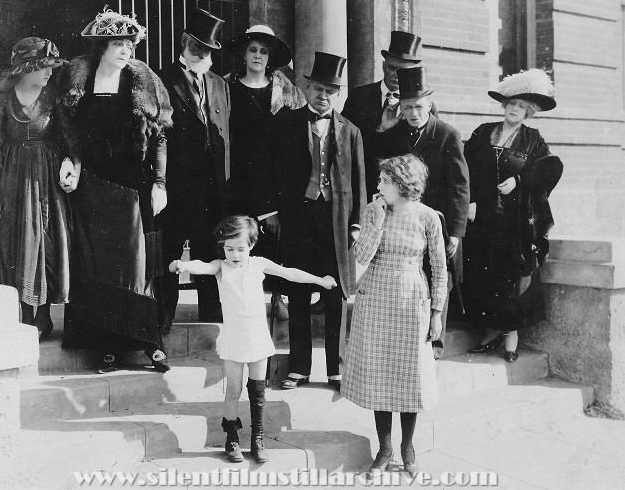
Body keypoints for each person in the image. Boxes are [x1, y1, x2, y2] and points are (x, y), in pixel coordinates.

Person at [168, 215, 336, 464]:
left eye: (240, 249)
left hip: (257, 338)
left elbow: (289, 273)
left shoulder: (258, 264)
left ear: (252, 246)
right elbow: (202, 266)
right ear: (222, 247)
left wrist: (319, 280)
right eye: (229, 249)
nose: (235, 255)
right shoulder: (220, 267)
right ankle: (232, 438)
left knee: (258, 391)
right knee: (233, 390)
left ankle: (257, 440)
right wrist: (183, 266)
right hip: (234, 340)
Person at [58, 9, 172, 373]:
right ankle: (105, 347)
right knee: (97, 264)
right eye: (117, 43)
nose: (125, 50)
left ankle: (146, 342)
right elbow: (69, 132)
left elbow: (159, 137)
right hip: (92, 185)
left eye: (128, 43)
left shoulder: (143, 80)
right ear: (101, 47)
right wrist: (71, 161)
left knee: (135, 265)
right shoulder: (79, 80)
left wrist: (159, 183)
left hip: (132, 186)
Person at [252, 51, 366, 392]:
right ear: (307, 88)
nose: (323, 96)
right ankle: (299, 367)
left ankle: (337, 370)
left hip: (336, 221)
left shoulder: (351, 131)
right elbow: (262, 169)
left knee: (335, 296)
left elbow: (360, 179)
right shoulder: (284, 122)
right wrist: (269, 212)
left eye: (330, 90)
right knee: (299, 293)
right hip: (298, 218)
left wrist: (357, 223)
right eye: (317, 88)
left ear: (338, 93)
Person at [341, 154, 447, 476]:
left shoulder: (428, 217)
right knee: (379, 373)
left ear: (402, 184)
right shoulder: (375, 211)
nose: (378, 186)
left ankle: (408, 447)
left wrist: (436, 312)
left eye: (384, 181)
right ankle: (384, 448)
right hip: (375, 296)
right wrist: (376, 221)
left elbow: (440, 268)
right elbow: (360, 256)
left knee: (409, 374)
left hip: (411, 297)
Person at [367, 65, 469, 359]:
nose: (413, 113)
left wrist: (457, 233)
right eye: (407, 107)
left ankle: (434, 346)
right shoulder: (394, 133)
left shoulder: (447, 134)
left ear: (429, 104)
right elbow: (373, 162)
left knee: (438, 274)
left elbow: (460, 186)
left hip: (437, 220)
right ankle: (406, 340)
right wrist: (382, 129)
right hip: (402, 220)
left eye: (419, 107)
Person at [0, 37, 75, 340]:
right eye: (44, 67)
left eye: (51, 67)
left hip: (46, 178)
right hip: (12, 179)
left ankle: (43, 318)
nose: (49, 73)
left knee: (45, 240)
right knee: (17, 241)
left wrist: (70, 164)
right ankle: (24, 315)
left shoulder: (53, 98)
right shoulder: (2, 99)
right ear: (28, 67)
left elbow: (71, 142)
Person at [463, 69, 562, 362]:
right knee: (483, 274)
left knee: (510, 277)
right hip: (482, 218)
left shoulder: (532, 139)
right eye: (511, 104)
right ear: (503, 106)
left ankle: (511, 337)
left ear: (528, 112)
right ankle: (490, 332)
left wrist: (519, 182)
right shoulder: (483, 132)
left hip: (514, 223)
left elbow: (549, 168)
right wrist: (470, 201)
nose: (514, 110)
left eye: (520, 106)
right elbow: (465, 169)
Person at [224, 24, 306, 321]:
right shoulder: (226, 88)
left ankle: (274, 297)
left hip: (272, 179)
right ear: (244, 55)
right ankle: (236, 299)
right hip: (236, 177)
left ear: (270, 57)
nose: (257, 56)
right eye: (252, 50)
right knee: (237, 237)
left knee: (271, 239)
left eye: (263, 51)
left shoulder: (288, 94)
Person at [157, 7, 231, 327]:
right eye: (198, 47)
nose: (202, 54)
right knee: (169, 257)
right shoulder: (162, 79)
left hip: (210, 191)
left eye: (209, 49)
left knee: (208, 255)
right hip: (175, 187)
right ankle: (162, 321)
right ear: (184, 43)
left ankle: (211, 320)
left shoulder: (219, 84)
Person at [342, 30, 424, 200]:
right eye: (391, 68)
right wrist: (380, 130)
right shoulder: (359, 96)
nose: (395, 75)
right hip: (365, 189)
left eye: (402, 71)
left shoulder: (422, 106)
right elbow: (345, 143)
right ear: (383, 65)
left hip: (405, 195)